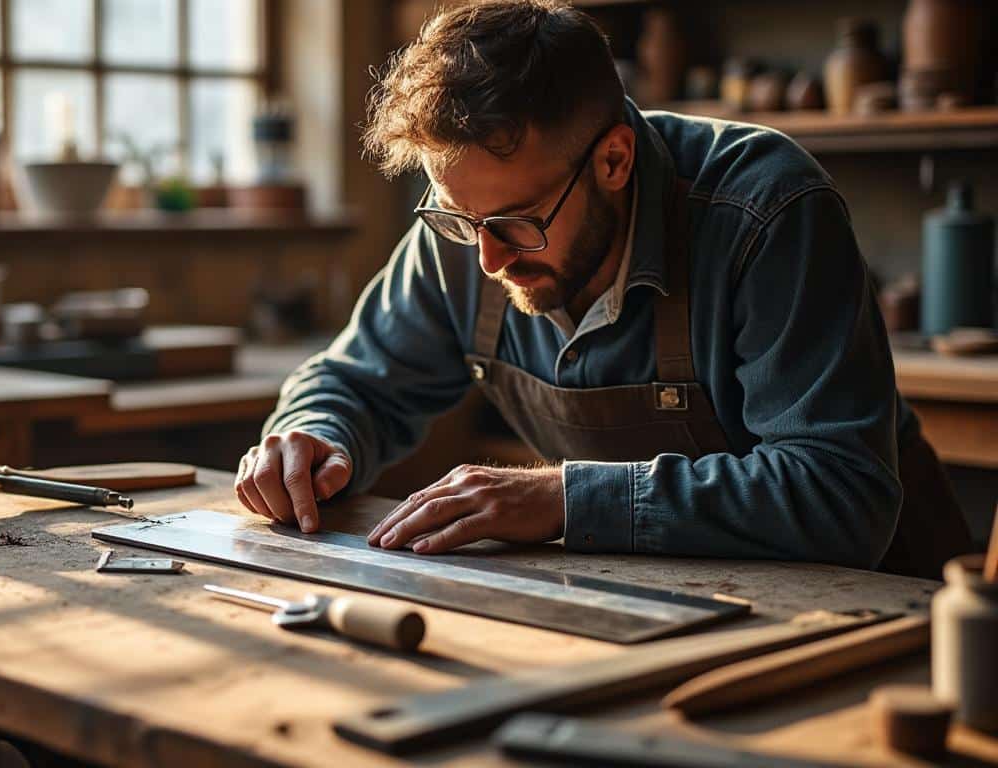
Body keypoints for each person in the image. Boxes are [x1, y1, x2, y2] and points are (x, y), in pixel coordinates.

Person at [233, 0, 971, 578]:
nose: (487, 259)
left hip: (875, 619)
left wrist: (564, 498)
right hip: (665, 602)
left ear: (614, 160)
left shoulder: (764, 211)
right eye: (461, 221)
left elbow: (839, 494)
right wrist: (311, 436)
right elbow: (355, 381)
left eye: (519, 224)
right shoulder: (469, 228)